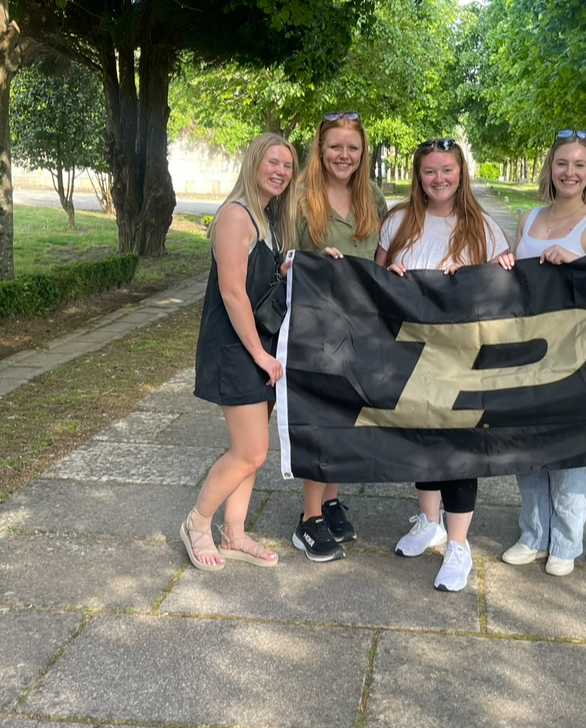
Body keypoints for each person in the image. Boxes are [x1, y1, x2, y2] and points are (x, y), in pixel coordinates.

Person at [375, 137, 510, 592]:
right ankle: (428, 522)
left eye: (447, 170)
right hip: (412, 354)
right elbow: (374, 281)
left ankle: (458, 545)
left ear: (461, 172)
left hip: (462, 357)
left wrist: (502, 266)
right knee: (419, 438)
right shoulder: (397, 221)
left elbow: (505, 289)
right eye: (430, 171)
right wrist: (388, 274)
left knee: (458, 449)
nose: (439, 179)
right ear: (419, 175)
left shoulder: (483, 228)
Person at [494, 129, 586, 576]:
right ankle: (533, 533)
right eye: (562, 163)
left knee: (567, 450)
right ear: (551, 167)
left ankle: (566, 541)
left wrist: (577, 268)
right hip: (525, 351)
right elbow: (513, 276)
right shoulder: (528, 219)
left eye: (579, 164)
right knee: (526, 445)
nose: (569, 171)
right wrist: (504, 263)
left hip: (573, 356)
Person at [182, 132, 298, 571]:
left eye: (287, 165)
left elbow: (255, 280)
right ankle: (197, 523)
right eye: (272, 162)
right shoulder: (235, 215)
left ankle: (234, 533)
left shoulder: (265, 218)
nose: (280, 172)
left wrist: (283, 268)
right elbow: (232, 293)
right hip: (237, 348)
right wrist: (260, 355)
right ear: (253, 163)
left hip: (259, 348)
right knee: (250, 452)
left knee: (254, 449)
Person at [291, 111, 388, 563]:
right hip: (316, 330)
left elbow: (383, 261)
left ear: (362, 151)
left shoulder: (374, 199)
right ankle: (309, 519)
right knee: (322, 422)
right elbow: (281, 258)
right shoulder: (300, 199)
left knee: (349, 418)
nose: (343, 155)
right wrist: (307, 260)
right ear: (320, 149)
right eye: (335, 146)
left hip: (361, 328)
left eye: (352, 147)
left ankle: (329, 501)